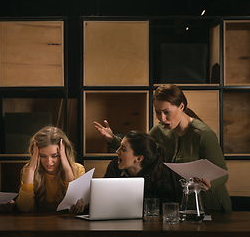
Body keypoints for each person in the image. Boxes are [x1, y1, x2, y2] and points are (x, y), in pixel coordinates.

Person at [94, 84, 232, 211]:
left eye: (167, 112)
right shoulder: (159, 130)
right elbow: (141, 150)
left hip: (211, 205)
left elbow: (223, 172)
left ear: (181, 106)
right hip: (181, 205)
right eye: (158, 112)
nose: (162, 118)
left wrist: (208, 183)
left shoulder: (203, 134)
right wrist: (113, 140)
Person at [15, 126, 86, 213]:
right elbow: (24, 208)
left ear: (63, 153)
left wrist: (67, 169)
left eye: (54, 156)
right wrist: (31, 170)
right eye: (42, 156)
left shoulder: (78, 169)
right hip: (38, 224)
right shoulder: (29, 170)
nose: (49, 162)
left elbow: (74, 204)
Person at [104, 130, 175, 204]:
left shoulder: (158, 172)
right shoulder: (114, 166)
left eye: (123, 149)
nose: (117, 152)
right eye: (119, 147)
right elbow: (103, 195)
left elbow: (167, 203)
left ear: (139, 158)